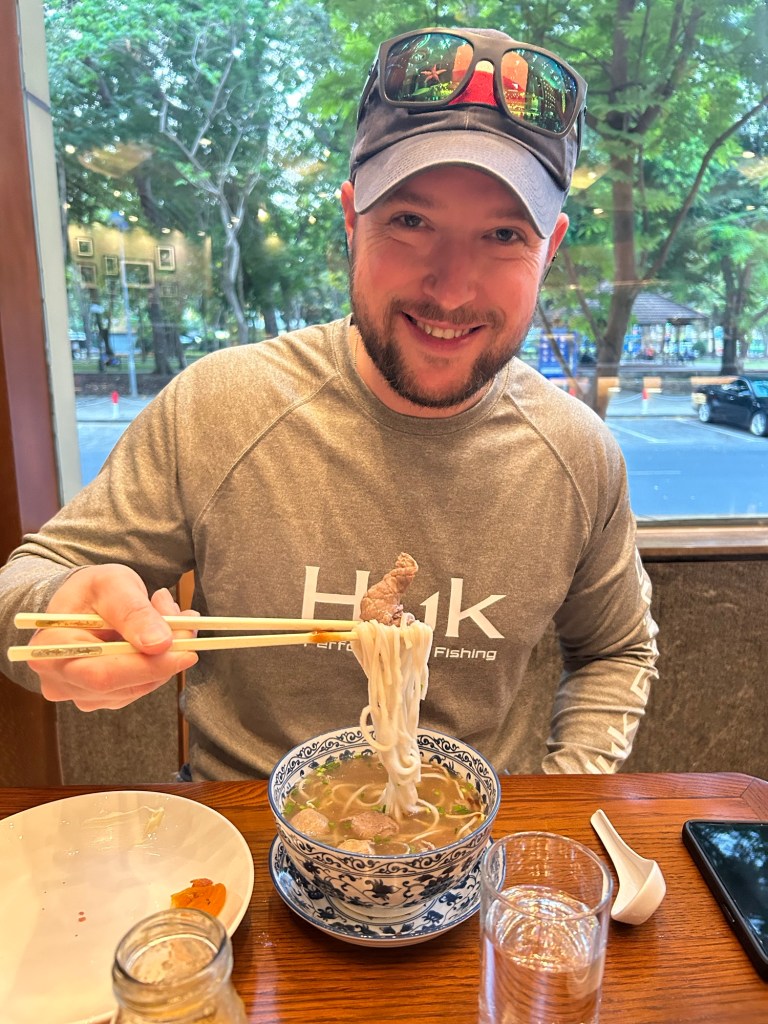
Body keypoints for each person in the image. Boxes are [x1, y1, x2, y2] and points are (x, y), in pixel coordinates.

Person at [0, 27, 658, 780]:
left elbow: (617, 649)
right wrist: (64, 620)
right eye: (410, 221)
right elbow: (25, 588)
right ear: (351, 221)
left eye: (504, 234)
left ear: (551, 248)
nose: (451, 289)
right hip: (243, 824)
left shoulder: (577, 453)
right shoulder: (221, 406)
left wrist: (564, 794)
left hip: (474, 830)